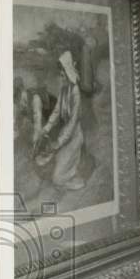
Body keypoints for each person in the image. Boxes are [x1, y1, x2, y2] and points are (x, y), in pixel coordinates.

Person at [36, 51, 85, 192]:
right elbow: (57, 112)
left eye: (62, 71)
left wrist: (59, 141)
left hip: (74, 137)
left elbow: (73, 122)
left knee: (57, 178)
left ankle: (71, 176)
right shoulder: (63, 89)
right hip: (64, 135)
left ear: (67, 70)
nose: (60, 75)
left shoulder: (75, 91)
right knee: (44, 161)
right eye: (60, 72)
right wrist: (45, 129)